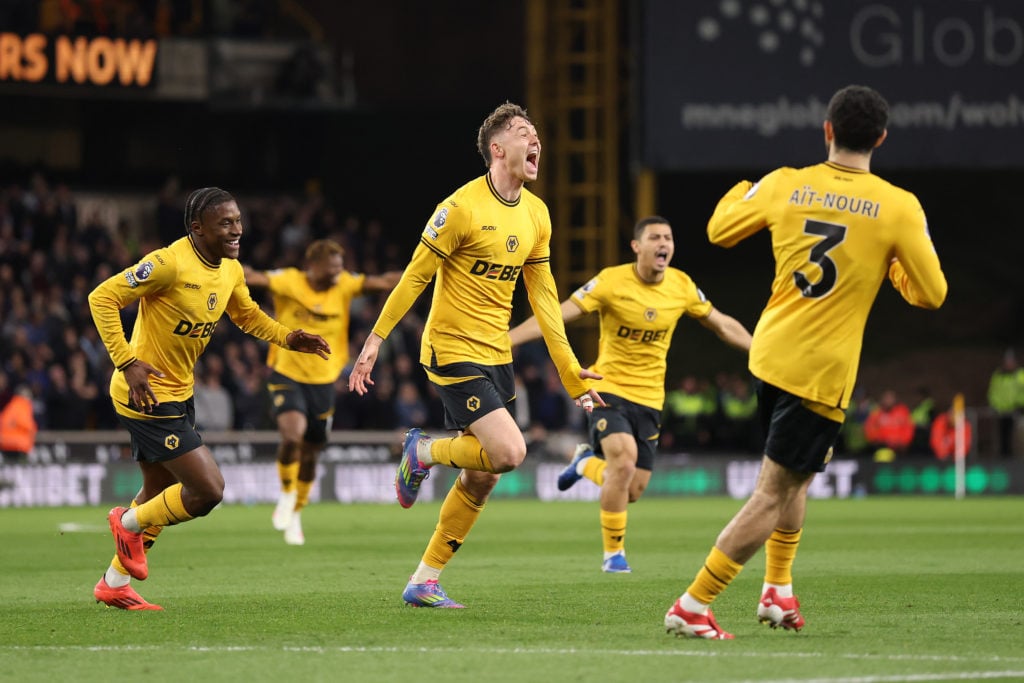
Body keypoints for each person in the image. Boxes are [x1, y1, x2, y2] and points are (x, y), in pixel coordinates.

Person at [664, 85, 947, 639]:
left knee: (795, 482)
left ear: (827, 130)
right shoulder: (897, 206)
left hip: (769, 356)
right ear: (881, 138)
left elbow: (720, 230)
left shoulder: (787, 183)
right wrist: (890, 267)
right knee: (773, 492)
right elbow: (931, 293)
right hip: (820, 373)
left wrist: (749, 185)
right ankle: (693, 604)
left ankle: (778, 590)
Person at [348, 102, 603, 608]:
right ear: (497, 149)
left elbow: (546, 302)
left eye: (537, 135)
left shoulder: (537, 215)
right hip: (451, 349)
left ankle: (423, 581)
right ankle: (421, 450)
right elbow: (415, 275)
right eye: (525, 133)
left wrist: (571, 372)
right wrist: (375, 340)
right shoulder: (460, 208)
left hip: (495, 354)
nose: (537, 142)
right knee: (510, 452)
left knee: (483, 474)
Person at [88, 187, 331, 611]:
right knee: (207, 491)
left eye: (238, 221)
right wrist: (127, 361)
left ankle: (114, 582)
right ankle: (125, 523)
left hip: (178, 393)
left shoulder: (229, 268)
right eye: (226, 223)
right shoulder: (167, 263)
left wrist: (288, 337)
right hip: (145, 395)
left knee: (157, 494)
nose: (237, 230)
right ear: (197, 228)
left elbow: (246, 314)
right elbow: (102, 298)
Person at [508, 215, 752, 573]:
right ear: (637, 246)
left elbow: (722, 324)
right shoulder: (611, 281)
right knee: (622, 463)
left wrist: (760, 351)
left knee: (631, 489)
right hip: (607, 389)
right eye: (655, 237)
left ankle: (584, 463)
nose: (664, 243)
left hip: (651, 399)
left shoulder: (681, 286)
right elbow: (558, 314)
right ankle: (613, 556)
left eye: (668, 238)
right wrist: (509, 338)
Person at [243, 239, 401, 545]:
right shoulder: (288, 281)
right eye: (331, 270)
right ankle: (287, 494)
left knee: (312, 452)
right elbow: (252, 277)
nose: (337, 275)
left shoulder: (344, 284)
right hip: (286, 372)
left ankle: (297, 511)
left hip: (324, 381)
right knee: (292, 435)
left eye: (340, 269)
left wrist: (427, 269)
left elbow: (383, 282)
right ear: (312, 266)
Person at [986, 349, 1023, 458]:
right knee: (1002, 437)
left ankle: (1017, 459)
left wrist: (1020, 405)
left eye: (1011, 361)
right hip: (1000, 411)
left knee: (1016, 437)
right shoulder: (998, 375)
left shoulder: (1020, 375)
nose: (1009, 364)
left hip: (1018, 411)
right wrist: (994, 405)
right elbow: (993, 391)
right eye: (1007, 361)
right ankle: (1004, 458)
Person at [863, 388, 914, 461]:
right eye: (886, 398)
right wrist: (876, 440)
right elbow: (869, 427)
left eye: (890, 398)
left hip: (899, 449)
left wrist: (904, 442)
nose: (888, 400)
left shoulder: (902, 412)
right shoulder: (877, 413)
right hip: (881, 448)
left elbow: (909, 428)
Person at [0, 374, 37, 463]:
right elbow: (28, 425)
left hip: (4, 443)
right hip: (18, 444)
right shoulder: (22, 405)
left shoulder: (11, 405)